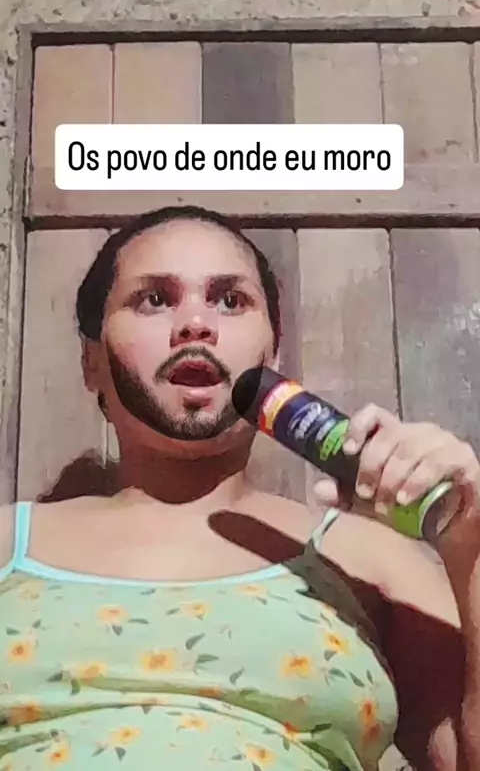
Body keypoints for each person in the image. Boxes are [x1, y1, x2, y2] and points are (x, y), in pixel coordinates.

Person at [0, 205, 479, 771]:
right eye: (154, 299)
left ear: (274, 354)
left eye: (230, 300)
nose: (195, 324)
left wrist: (469, 546)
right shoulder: (8, 544)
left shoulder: (367, 558)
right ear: (91, 360)